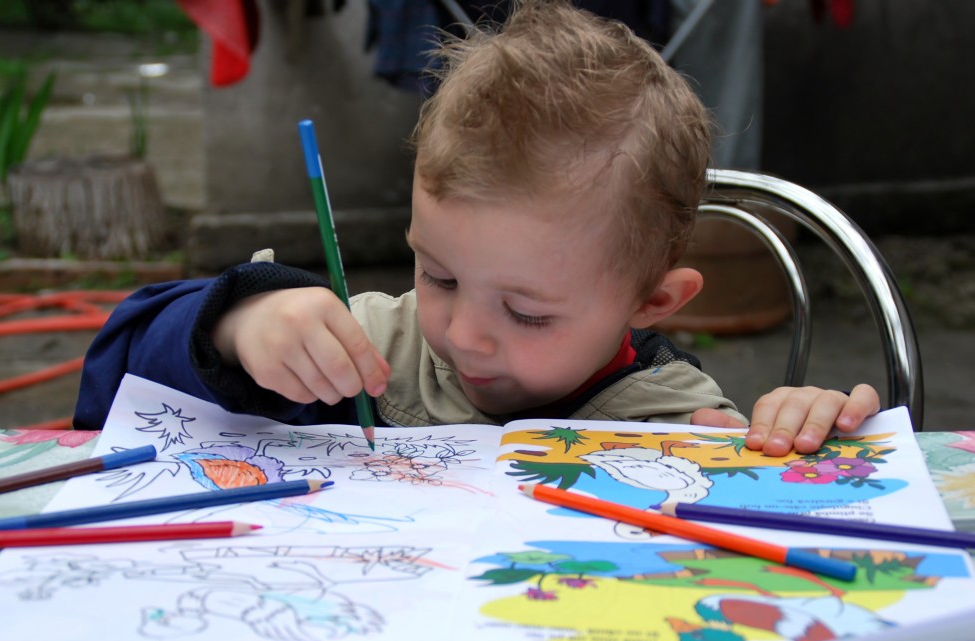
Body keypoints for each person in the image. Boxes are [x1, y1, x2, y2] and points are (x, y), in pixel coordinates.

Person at [73, 0, 878, 457]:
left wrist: (806, 430)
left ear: (654, 300)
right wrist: (237, 324)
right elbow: (109, 382)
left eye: (527, 312)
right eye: (440, 274)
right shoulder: (372, 351)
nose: (463, 333)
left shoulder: (675, 421)